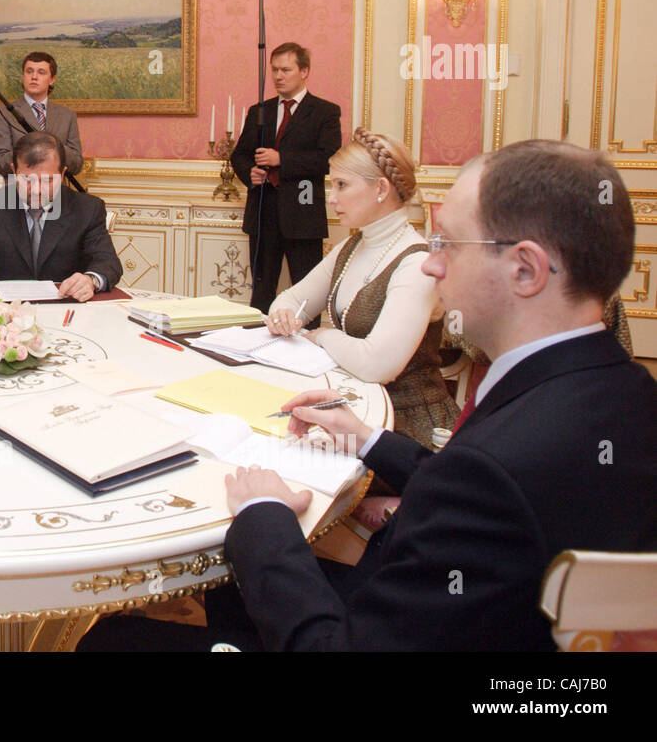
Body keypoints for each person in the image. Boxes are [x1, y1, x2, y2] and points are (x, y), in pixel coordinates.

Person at [80, 139, 657, 651]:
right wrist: (370, 440)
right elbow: (495, 491)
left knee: (111, 638)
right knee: (237, 592)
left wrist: (264, 514)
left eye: (448, 244)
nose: (430, 265)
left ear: (526, 271)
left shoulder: (494, 469)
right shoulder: (626, 390)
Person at [265, 128, 457, 447]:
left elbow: (376, 365)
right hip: (354, 411)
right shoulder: (352, 246)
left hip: (407, 429)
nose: (331, 197)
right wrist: (282, 316)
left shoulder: (416, 263)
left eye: (341, 185)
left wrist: (321, 335)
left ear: (380, 188)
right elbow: (289, 299)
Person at [230, 42, 342, 316]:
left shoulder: (325, 112)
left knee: (307, 290)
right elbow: (240, 156)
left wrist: (282, 159)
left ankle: (306, 348)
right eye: (275, 70)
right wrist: (250, 174)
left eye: (286, 70)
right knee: (261, 291)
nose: (278, 76)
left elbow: (328, 159)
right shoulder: (260, 111)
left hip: (303, 213)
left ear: (304, 71)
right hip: (263, 213)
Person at [0, 132, 119, 301]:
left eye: (48, 180)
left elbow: (108, 263)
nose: (36, 190)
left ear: (63, 175)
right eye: (26, 179)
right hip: (7, 315)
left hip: (67, 309)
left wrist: (90, 280)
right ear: (14, 171)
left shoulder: (87, 208)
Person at [0, 52, 83, 178]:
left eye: (41, 72)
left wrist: (54, 147)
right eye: (29, 71)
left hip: (58, 194)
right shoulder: (4, 113)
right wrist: (30, 150)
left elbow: (76, 165)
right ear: (23, 76)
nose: (34, 76)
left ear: (52, 79)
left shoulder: (67, 115)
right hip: (18, 193)